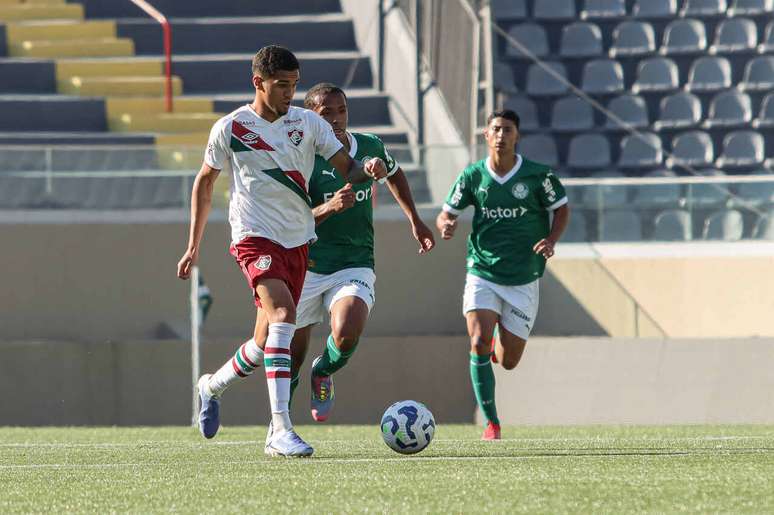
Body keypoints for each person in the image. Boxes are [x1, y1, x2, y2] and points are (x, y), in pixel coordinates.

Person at [176, 45, 387, 458]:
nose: (290, 92)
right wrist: (192, 246)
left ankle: (211, 386)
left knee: (262, 343)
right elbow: (204, 184)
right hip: (254, 238)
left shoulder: (308, 124)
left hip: (298, 239)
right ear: (258, 83)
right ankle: (279, 430)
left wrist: (370, 170)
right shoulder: (231, 128)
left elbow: (349, 168)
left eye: (294, 84)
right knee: (284, 317)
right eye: (282, 85)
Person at [190, 82, 436, 435]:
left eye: (341, 111)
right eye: (326, 113)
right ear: (312, 117)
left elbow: (393, 173)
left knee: (347, 329)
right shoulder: (303, 153)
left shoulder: (368, 148)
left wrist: (414, 218)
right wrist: (330, 207)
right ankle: (213, 387)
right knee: (272, 350)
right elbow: (292, 215)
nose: (336, 120)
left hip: (353, 261)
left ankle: (316, 382)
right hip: (303, 261)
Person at [435, 109, 570, 441]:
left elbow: (562, 208)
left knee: (509, 361)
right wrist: (447, 225)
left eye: (507, 130)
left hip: (523, 276)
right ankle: (492, 423)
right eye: (495, 129)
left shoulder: (539, 177)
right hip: (482, 270)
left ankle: (497, 342)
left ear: (517, 135)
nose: (501, 135)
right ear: (486, 135)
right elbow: (444, 214)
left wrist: (551, 240)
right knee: (478, 341)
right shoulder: (472, 177)